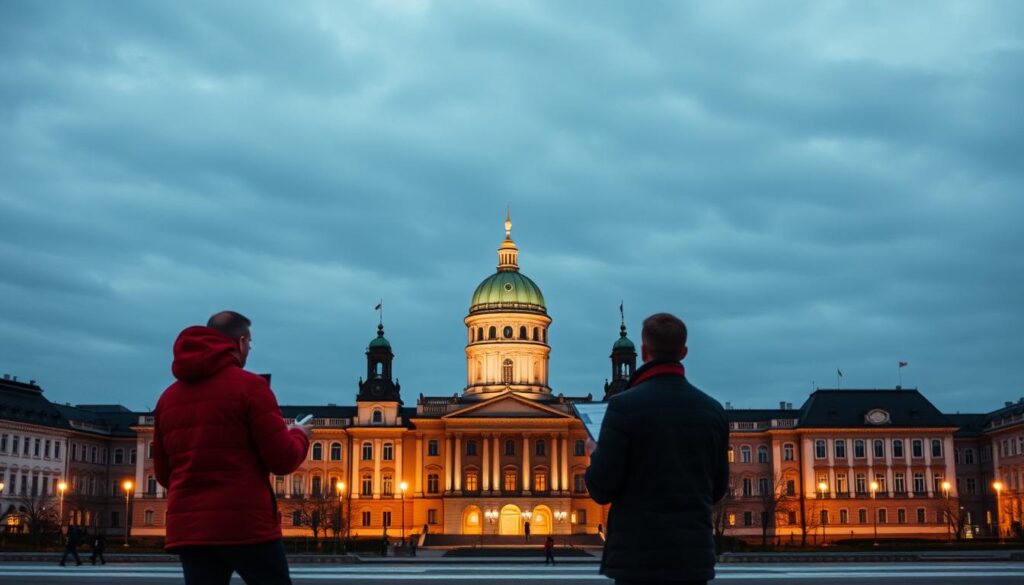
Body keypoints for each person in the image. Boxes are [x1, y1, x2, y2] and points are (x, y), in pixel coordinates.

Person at [153, 311, 312, 585]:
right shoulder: (251, 387)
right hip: (245, 524)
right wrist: (300, 435)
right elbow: (282, 459)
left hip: (191, 530)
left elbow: (164, 474)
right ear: (240, 342)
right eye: (249, 344)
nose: (249, 350)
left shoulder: (167, 399)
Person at [585, 313, 729, 585]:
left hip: (638, 558)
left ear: (644, 350)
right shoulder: (713, 411)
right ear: (684, 352)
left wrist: (596, 453)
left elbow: (601, 488)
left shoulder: (622, 407)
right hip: (692, 557)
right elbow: (717, 489)